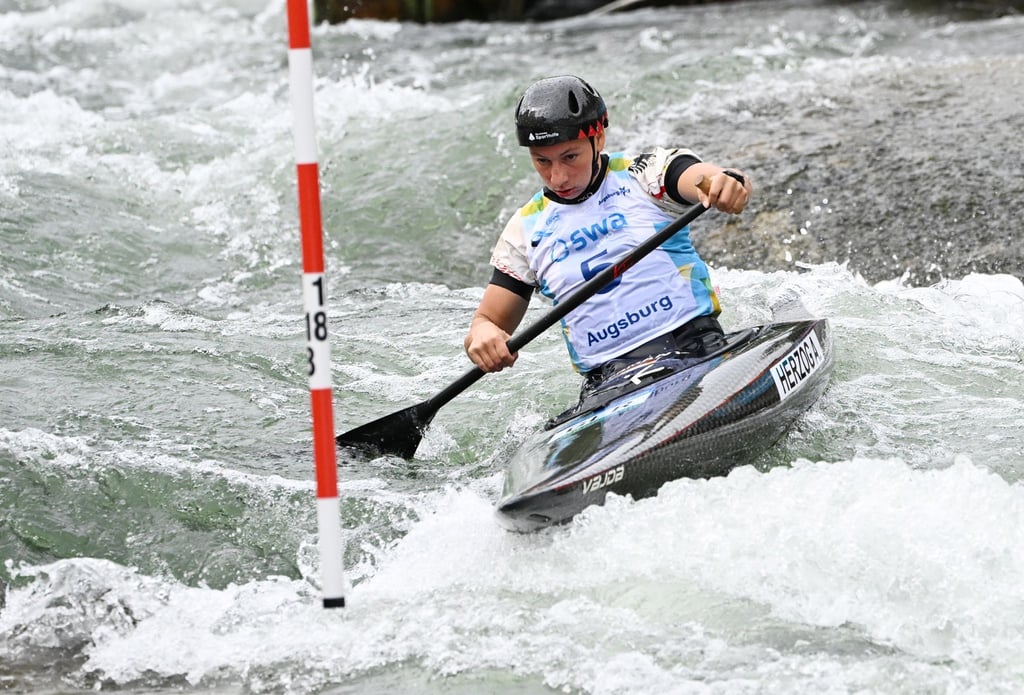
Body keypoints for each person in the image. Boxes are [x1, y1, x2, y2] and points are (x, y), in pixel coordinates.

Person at [463, 75, 752, 405]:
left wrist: (725, 183)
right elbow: (487, 321)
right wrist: (483, 336)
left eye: (570, 157)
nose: (557, 177)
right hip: (609, 382)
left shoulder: (644, 174)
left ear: (597, 138)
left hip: (695, 346)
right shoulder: (525, 229)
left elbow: (701, 178)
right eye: (542, 161)